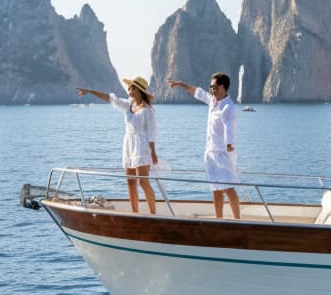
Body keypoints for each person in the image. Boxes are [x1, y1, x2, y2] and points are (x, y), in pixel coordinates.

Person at [76, 75, 158, 214]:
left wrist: (153, 152)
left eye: (131, 87)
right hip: (128, 145)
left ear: (137, 90)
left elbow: (152, 133)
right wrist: (90, 91)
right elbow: (109, 98)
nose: (128, 88)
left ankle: (153, 214)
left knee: (143, 182)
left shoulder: (148, 110)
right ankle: (135, 213)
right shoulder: (128, 105)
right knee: (130, 182)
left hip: (141, 146)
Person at [168, 72, 241, 219]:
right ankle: (218, 219)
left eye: (213, 87)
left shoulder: (228, 107)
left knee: (229, 188)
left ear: (222, 87)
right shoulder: (213, 101)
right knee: (216, 189)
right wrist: (180, 84)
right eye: (210, 87)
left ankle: (238, 220)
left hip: (222, 153)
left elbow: (229, 128)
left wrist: (229, 146)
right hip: (210, 153)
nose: (211, 90)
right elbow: (198, 92)